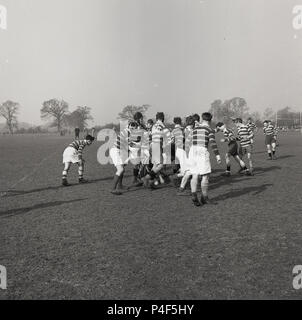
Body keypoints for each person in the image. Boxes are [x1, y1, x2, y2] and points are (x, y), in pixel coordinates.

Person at [188, 112, 221, 207]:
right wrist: (217, 156)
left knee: (194, 175)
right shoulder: (209, 129)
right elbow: (213, 143)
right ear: (210, 120)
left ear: (202, 119)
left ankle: (194, 195)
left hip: (192, 151)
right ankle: (204, 197)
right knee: (205, 176)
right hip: (202, 151)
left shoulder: (195, 128)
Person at [109, 122, 138, 195]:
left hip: (120, 151)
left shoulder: (128, 131)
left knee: (123, 168)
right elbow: (131, 144)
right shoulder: (127, 133)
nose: (132, 130)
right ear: (129, 127)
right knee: (120, 169)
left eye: (134, 129)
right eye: (131, 128)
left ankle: (120, 186)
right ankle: (113, 189)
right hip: (115, 151)